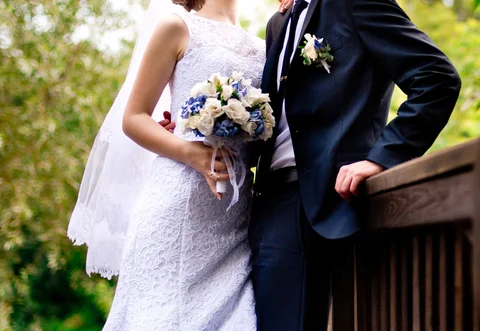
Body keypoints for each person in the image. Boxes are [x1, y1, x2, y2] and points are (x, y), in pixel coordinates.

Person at [249, 0, 461, 329]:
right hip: (264, 205)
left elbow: (436, 79)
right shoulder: (278, 23)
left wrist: (383, 157)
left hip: (320, 200)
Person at [68, 0, 266, 329]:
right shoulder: (177, 27)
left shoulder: (263, 46)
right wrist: (192, 153)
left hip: (237, 219)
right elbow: (133, 118)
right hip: (178, 208)